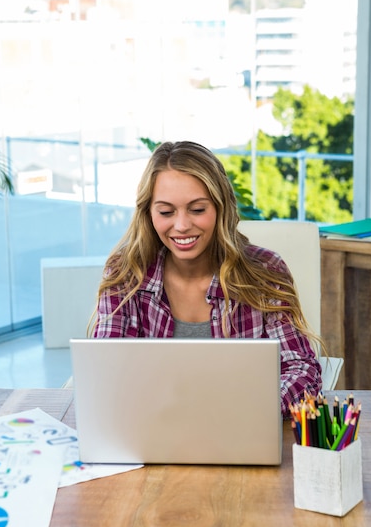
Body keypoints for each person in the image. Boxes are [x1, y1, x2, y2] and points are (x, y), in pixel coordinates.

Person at [89, 140, 322, 415]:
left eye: (197, 209)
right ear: (148, 213)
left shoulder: (265, 271)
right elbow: (106, 373)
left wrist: (253, 410)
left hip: (240, 432)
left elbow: (302, 368)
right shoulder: (126, 274)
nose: (182, 225)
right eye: (166, 212)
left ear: (220, 207)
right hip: (152, 435)